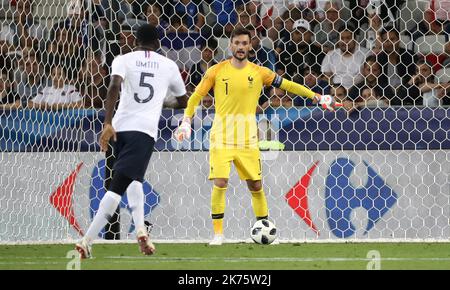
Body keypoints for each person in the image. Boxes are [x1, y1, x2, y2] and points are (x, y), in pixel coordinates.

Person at [175, 27, 342, 245]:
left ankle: (264, 229)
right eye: (237, 43)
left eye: (245, 43)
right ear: (231, 45)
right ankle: (218, 234)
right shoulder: (216, 71)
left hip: (248, 138)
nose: (241, 47)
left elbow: (288, 85)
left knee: (255, 185)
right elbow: (196, 95)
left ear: (250, 45)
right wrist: (186, 121)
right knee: (220, 181)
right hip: (221, 137)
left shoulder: (259, 72)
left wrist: (316, 96)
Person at [75, 24, 188, 259]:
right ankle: (87, 240)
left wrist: (107, 123)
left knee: (135, 179)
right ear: (157, 43)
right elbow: (183, 100)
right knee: (117, 187)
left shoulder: (122, 59)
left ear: (135, 41)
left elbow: (114, 85)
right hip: (143, 132)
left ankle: (140, 230)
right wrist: (162, 103)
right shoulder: (168, 65)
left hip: (119, 129)